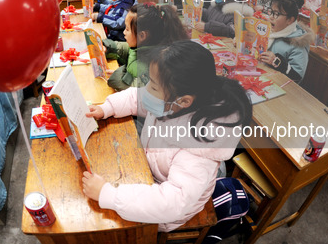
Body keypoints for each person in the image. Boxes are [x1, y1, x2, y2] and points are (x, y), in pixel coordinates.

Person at [82, 40, 252, 232]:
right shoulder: (171, 101)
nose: (147, 92)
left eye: (153, 87)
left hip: (164, 211)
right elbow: (136, 98)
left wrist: (108, 195)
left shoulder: (198, 149)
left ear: (184, 101)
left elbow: (170, 204)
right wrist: (106, 108)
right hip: (152, 172)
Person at [104, 4, 187, 91]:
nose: (124, 32)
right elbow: (129, 50)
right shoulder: (147, 45)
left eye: (127, 29)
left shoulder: (153, 66)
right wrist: (109, 47)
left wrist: (121, 76)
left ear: (142, 35)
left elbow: (131, 88)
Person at [260, 0, 314, 82]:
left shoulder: (298, 43)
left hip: (277, 85)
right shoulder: (270, 31)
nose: (271, 17)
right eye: (271, 12)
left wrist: (276, 61)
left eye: (276, 14)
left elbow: (297, 77)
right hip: (261, 75)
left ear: (290, 20)